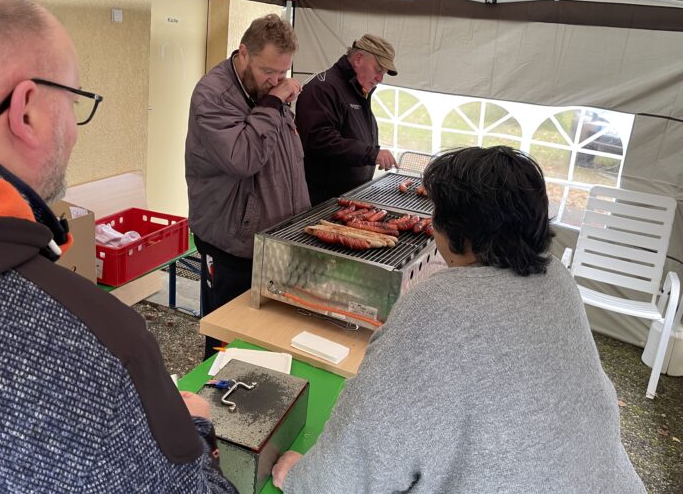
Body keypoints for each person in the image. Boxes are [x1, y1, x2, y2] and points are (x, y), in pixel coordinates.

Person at [0, 0, 236, 493]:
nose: (73, 130)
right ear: (25, 110)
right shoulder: (93, 347)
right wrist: (199, 431)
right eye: (74, 102)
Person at [272, 146, 646, 494]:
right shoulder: (557, 278)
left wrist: (304, 479)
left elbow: (365, 446)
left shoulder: (438, 304)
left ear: (459, 233)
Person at [185, 14, 310, 359]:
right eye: (268, 71)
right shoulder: (214, 95)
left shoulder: (267, 90)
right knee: (226, 342)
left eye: (283, 73)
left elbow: (285, 158)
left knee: (266, 339)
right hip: (232, 246)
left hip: (274, 241)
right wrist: (274, 102)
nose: (276, 80)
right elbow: (243, 159)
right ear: (243, 53)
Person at [295, 34, 399, 206]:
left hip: (348, 199)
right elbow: (320, 140)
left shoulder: (358, 90)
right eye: (378, 69)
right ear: (358, 59)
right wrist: (371, 154)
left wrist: (372, 154)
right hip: (322, 201)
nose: (380, 78)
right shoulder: (322, 88)